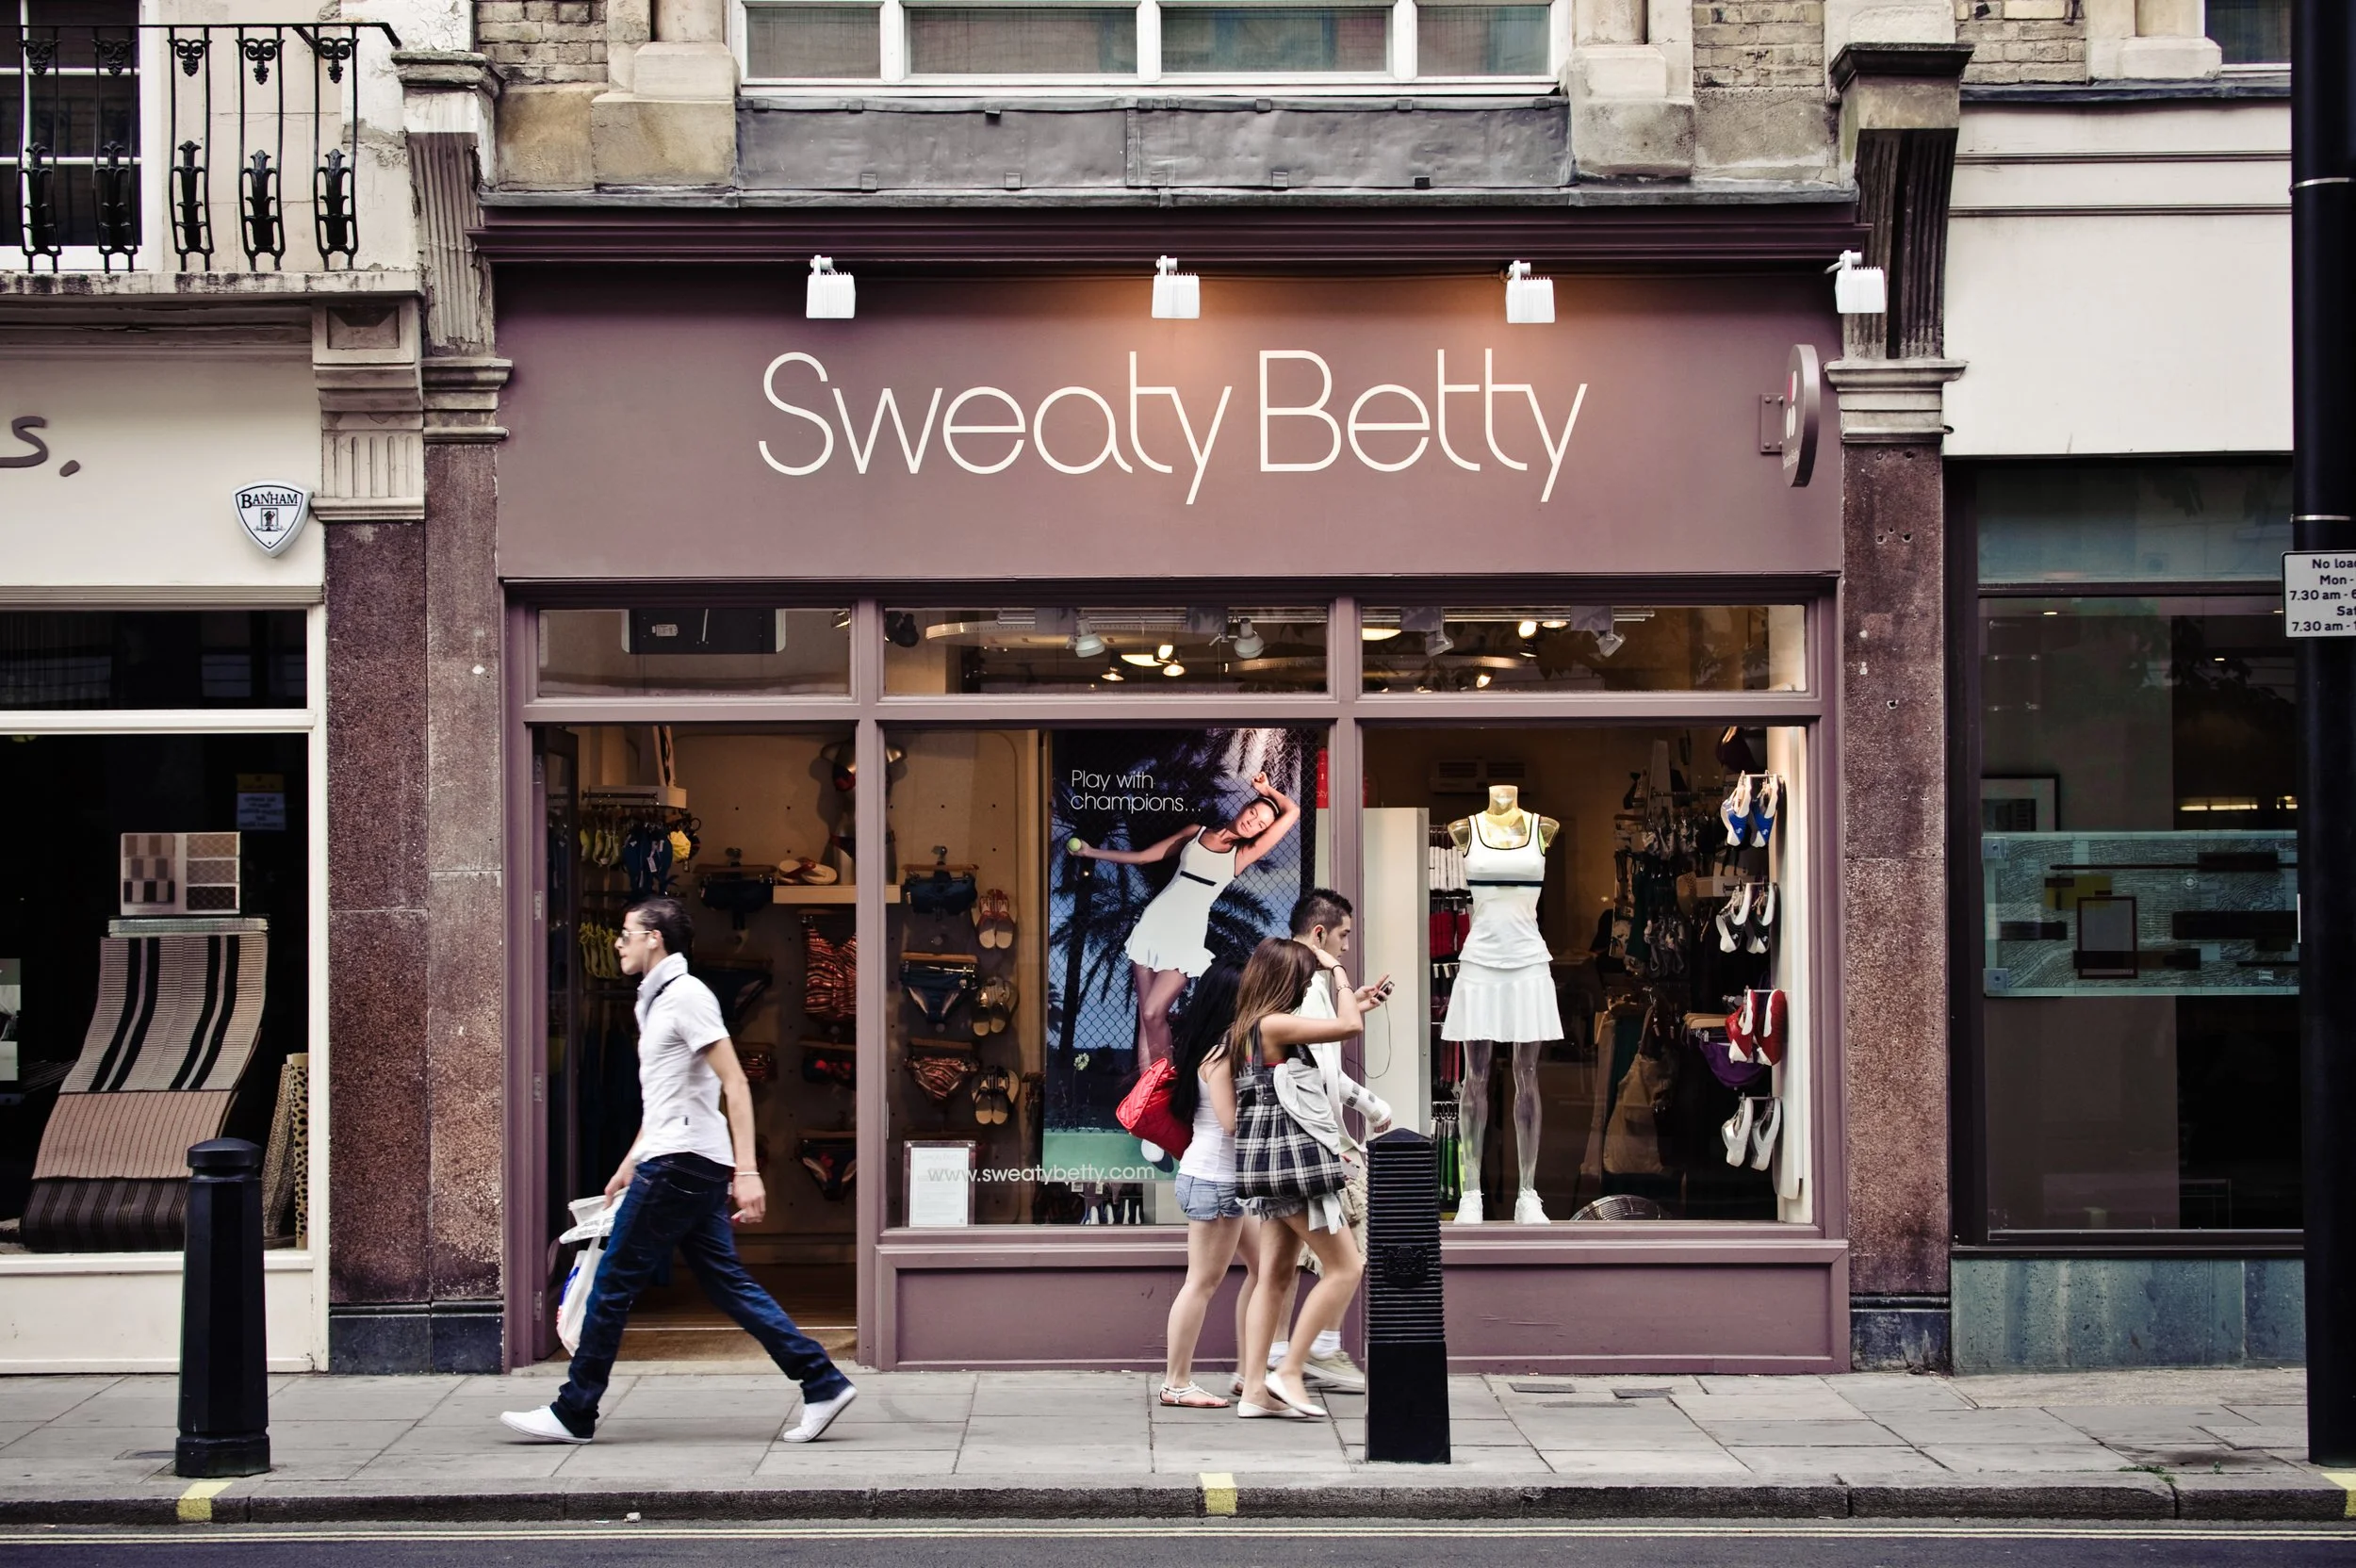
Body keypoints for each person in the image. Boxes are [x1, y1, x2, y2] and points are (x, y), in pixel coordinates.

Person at [501, 896, 858, 1446]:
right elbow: (668, 1098)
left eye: (627, 932)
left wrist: (749, 1171)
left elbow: (734, 1083)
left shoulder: (687, 997)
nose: (619, 942)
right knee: (727, 1284)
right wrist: (627, 1163)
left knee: (613, 1285)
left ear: (656, 940)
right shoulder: (659, 999)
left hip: (683, 1163)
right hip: (677, 1155)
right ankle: (821, 1380)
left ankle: (575, 1410)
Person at [1226, 939, 1371, 1421]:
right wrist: (1337, 971)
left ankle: (1253, 1391)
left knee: (1275, 1276)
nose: (1311, 984)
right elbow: (1350, 1025)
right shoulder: (1274, 1023)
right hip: (1296, 1169)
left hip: (1268, 1168)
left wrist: (1354, 995)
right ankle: (1289, 1369)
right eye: (1305, 979)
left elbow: (1331, 1031)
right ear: (1285, 981)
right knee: (1345, 1268)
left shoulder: (1246, 1029)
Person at [1070, 771, 1301, 1070]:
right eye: (1254, 812)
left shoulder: (1242, 854)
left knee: (1154, 1013)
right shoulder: (1195, 832)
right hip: (1154, 923)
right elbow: (1144, 857)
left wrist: (1268, 789)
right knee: (1145, 1015)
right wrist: (1092, 852)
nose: (1253, 822)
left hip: (1186, 935)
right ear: (1245, 807)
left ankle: (1166, 1087)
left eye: (1261, 824)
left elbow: (1292, 811)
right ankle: (1145, 1097)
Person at [1261, 889, 1392, 1396]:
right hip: (1313, 1144)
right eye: (1342, 937)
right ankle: (1312, 1353)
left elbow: (1319, 1066)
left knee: (1282, 1263)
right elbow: (1319, 1073)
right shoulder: (1310, 983)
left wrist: (1350, 1000)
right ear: (1320, 934)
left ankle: (1271, 1366)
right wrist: (1368, 1111)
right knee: (1347, 1257)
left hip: (1299, 1142)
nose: (1345, 949)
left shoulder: (1288, 982)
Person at [1157, 959, 1257, 1409]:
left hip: (1216, 1179)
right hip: (1215, 1182)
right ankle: (1176, 1383)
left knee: (1267, 1267)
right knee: (1200, 1283)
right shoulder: (1221, 1056)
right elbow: (1231, 1123)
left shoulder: (1216, 1048)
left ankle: (1250, 1371)